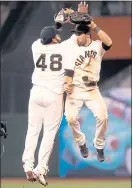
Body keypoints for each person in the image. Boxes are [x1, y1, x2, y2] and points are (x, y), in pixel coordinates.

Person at [22, 25, 78, 186]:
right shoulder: (64, 48)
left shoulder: (36, 46)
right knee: (49, 134)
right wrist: (75, 20)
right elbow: (75, 37)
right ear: (53, 39)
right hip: (54, 95)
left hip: (36, 92)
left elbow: (43, 39)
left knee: (32, 131)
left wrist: (56, 25)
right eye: (56, 35)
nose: (58, 36)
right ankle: (40, 169)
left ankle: (27, 165)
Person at [64, 18, 112, 162]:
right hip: (75, 90)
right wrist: (67, 83)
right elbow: (68, 71)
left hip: (92, 90)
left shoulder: (97, 46)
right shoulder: (73, 49)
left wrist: (94, 26)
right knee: (71, 118)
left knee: (103, 117)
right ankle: (81, 143)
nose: (77, 37)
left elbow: (109, 42)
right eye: (76, 34)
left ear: (87, 35)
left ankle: (99, 146)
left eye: (79, 34)